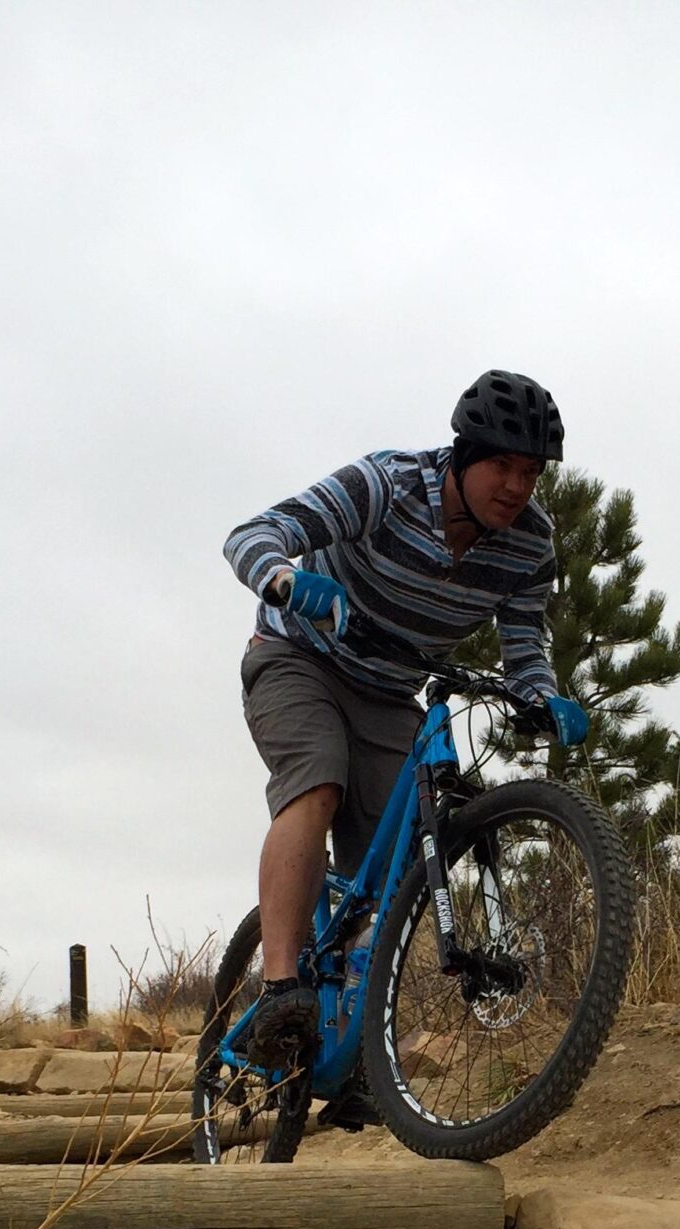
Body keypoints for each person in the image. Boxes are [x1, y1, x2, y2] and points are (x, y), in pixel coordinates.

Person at [223, 370, 589, 1071]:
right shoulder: (387, 484)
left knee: (389, 868)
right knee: (317, 782)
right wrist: (286, 578)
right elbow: (255, 532)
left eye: (531, 473)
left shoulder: (530, 546)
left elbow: (523, 646)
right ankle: (277, 990)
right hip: (298, 657)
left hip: (390, 691)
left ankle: (351, 1046)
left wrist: (543, 694)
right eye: (501, 466)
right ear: (462, 454)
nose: (516, 487)